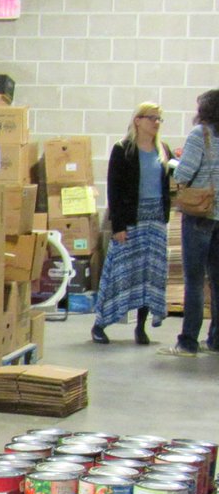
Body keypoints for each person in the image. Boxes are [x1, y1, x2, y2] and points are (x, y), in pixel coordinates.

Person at [92, 102, 173, 346]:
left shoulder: (163, 150)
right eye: (151, 118)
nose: (156, 123)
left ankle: (141, 326)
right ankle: (100, 323)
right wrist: (118, 227)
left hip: (155, 219)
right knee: (119, 272)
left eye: (159, 119)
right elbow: (114, 189)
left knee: (150, 274)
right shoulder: (123, 149)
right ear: (137, 120)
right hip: (131, 219)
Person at [162, 88, 219, 357]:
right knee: (217, 281)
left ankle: (188, 342)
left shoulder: (201, 134)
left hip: (200, 214)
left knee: (194, 280)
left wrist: (173, 164)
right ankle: (217, 339)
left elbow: (185, 172)